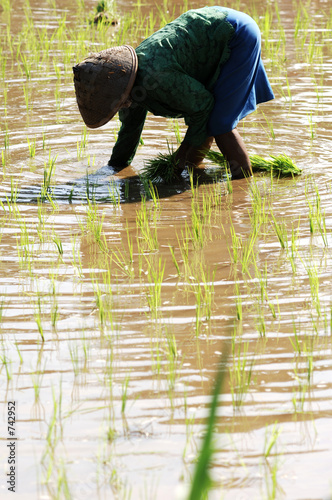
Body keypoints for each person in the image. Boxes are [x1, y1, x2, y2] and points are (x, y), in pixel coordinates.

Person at [73, 6, 274, 180]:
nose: (123, 107)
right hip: (214, 28)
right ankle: (190, 177)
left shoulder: (156, 77)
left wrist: (180, 154)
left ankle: (243, 184)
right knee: (206, 122)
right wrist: (114, 169)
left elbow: (204, 105)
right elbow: (129, 131)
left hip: (234, 35)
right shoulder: (127, 85)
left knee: (220, 124)